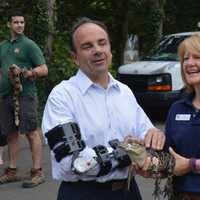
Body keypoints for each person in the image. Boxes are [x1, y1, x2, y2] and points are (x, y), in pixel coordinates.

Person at [42, 17, 165, 200]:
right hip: (83, 194)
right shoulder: (62, 96)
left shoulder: (125, 93)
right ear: (74, 57)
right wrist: (127, 152)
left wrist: (156, 135)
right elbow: (74, 160)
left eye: (102, 43)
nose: (97, 50)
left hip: (128, 192)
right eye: (87, 46)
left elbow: (147, 141)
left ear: (110, 49)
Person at [0, 11, 48, 188]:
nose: (19, 25)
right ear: (9, 25)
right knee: (10, 133)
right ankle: (12, 171)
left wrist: (30, 73)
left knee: (31, 132)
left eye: (22, 22)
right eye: (16, 22)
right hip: (5, 95)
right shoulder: (3, 46)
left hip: (25, 94)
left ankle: (37, 172)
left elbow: (44, 69)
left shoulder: (29, 45)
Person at [165, 35, 200, 199]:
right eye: (186, 58)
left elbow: (185, 164)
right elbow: (167, 154)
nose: (190, 63)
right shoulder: (177, 108)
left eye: (197, 57)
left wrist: (191, 165)